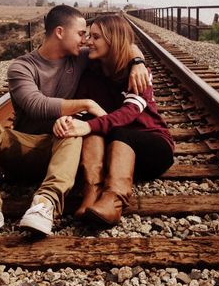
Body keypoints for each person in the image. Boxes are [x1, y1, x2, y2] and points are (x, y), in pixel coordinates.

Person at [0, 5, 150, 238]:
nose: (85, 41)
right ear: (60, 32)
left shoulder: (80, 58)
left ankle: (45, 205)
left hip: (59, 149)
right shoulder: (22, 67)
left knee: (73, 130)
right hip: (25, 148)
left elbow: (120, 45)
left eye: (89, 36)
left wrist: (137, 62)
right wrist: (86, 104)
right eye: (82, 33)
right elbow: (36, 104)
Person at [53, 14, 174, 227]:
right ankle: (92, 192)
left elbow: (129, 113)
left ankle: (114, 200)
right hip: (113, 155)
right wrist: (67, 121)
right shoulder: (91, 74)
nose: (89, 41)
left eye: (96, 37)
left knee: (115, 130)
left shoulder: (138, 74)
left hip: (152, 147)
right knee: (91, 130)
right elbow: (82, 111)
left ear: (114, 40)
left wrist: (88, 125)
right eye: (89, 36)